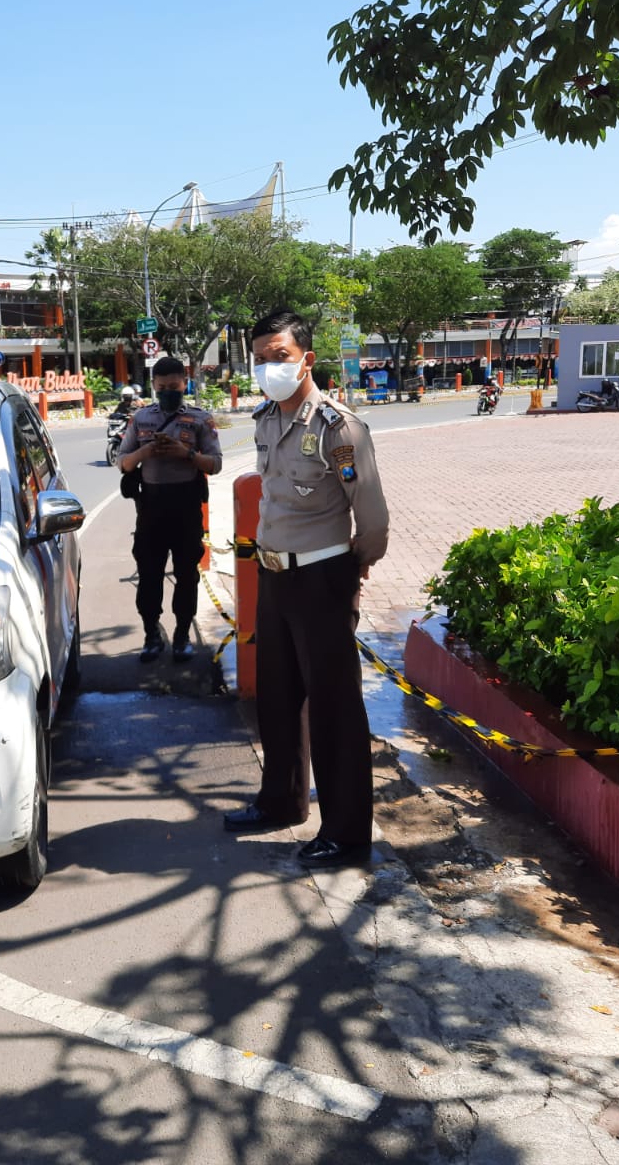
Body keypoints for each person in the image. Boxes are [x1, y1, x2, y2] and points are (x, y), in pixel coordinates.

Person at [223, 309, 390, 869]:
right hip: (274, 575)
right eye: (262, 358)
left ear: (307, 360)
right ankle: (281, 802)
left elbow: (371, 518)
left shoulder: (338, 429)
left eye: (281, 356)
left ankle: (345, 834)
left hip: (322, 578)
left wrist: (353, 570)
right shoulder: (267, 419)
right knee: (277, 696)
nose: (270, 367)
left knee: (334, 709)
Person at [116, 356, 221, 663]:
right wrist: (145, 451)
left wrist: (185, 453)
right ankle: (151, 633)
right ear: (154, 386)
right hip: (151, 508)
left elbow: (215, 464)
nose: (168, 392)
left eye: (174, 386)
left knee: (187, 575)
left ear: (184, 384)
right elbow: (122, 462)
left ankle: (182, 635)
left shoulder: (200, 419)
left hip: (186, 507)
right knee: (149, 575)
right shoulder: (141, 419)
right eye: (162, 387)